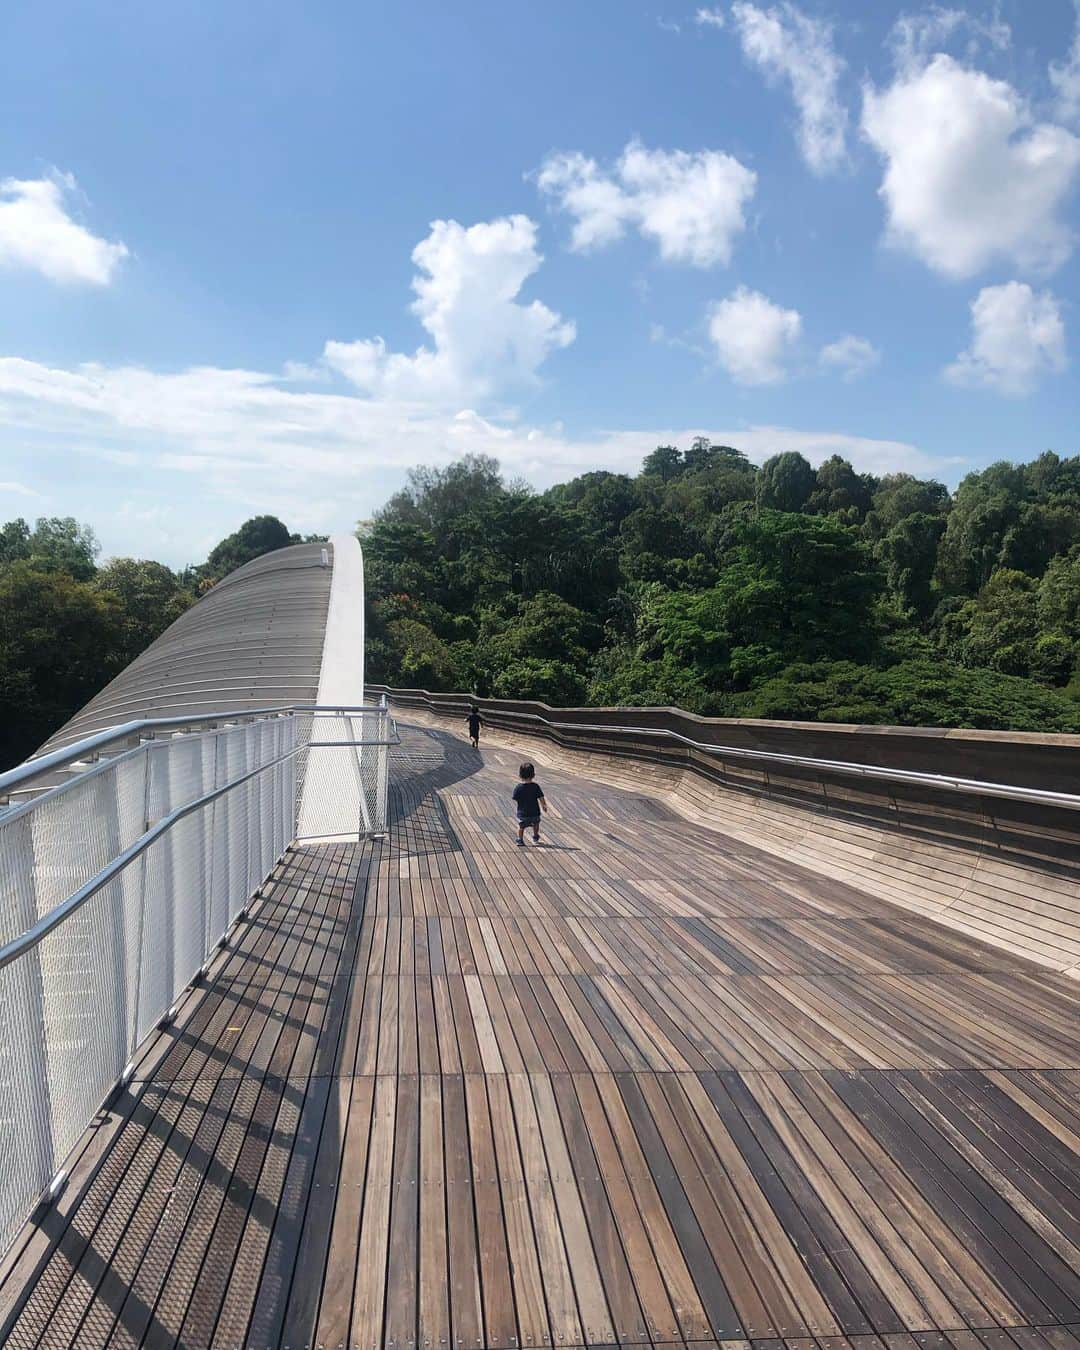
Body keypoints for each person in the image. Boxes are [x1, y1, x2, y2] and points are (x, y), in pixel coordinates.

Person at [512, 761, 548, 846]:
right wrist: (544, 805)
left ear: (520, 775)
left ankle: (520, 839)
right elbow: (541, 797)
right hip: (535, 812)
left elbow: (515, 797)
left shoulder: (518, 787)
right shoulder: (536, 786)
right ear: (533, 775)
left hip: (523, 813)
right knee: (536, 824)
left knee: (521, 827)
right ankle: (535, 836)